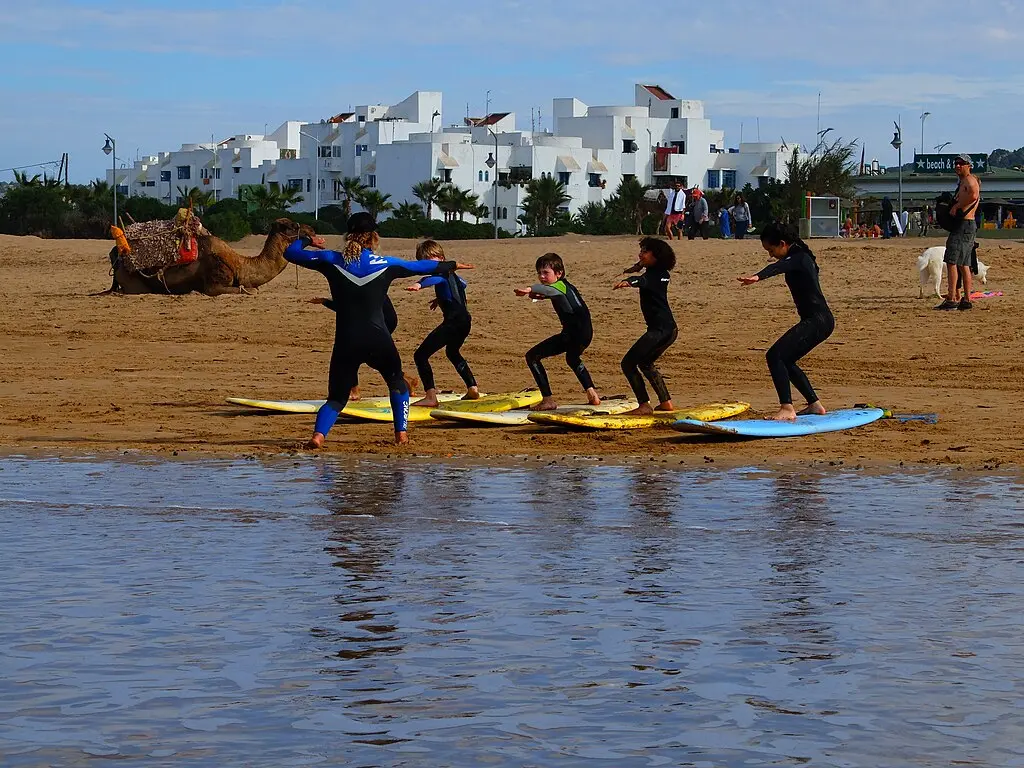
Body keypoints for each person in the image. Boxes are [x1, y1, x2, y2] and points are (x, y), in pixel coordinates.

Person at [285, 211, 471, 447]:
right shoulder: (386, 264)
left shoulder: (330, 259)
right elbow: (420, 266)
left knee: (336, 398)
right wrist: (452, 265)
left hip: (346, 341)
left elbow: (290, 253)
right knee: (397, 385)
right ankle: (401, 435)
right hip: (378, 339)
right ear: (373, 237)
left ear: (348, 236)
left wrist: (308, 241)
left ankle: (318, 437)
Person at [737, 222, 834, 421]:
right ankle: (814, 404)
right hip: (818, 320)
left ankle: (787, 408)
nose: (770, 254)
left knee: (775, 356)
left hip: (818, 321)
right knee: (785, 359)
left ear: (783, 243)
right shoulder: (800, 256)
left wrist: (758, 277)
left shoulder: (799, 258)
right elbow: (781, 264)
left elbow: (779, 266)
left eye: (771, 250)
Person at [514, 253, 600, 411]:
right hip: (585, 334)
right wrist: (541, 296)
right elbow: (557, 296)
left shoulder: (559, 286)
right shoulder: (567, 287)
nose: (541, 276)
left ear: (559, 273)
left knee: (532, 356)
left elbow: (546, 289)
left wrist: (529, 289)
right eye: (539, 273)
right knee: (572, 358)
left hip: (572, 335)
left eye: (546, 273)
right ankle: (592, 394)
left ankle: (548, 400)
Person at [404, 239, 480, 407]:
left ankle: (430, 396)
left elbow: (432, 280)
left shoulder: (440, 275)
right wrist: (441, 298)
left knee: (420, 356)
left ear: (440, 258)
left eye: (428, 260)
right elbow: (463, 285)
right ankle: (472, 387)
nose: (426, 265)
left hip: (453, 323)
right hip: (465, 321)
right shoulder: (453, 275)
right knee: (452, 352)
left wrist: (418, 284)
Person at [614, 237, 678, 415]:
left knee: (628, 364)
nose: (640, 254)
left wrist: (630, 281)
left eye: (645, 251)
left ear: (656, 256)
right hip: (670, 329)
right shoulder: (663, 273)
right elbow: (646, 272)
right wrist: (638, 265)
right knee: (646, 363)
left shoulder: (651, 276)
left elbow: (642, 281)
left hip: (658, 331)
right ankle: (666, 402)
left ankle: (644, 405)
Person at [935, 153, 981, 311]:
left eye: (961, 163)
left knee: (952, 260)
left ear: (969, 165)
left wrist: (957, 206)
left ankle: (952, 297)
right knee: (964, 263)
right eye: (956, 163)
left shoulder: (969, 180)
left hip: (964, 224)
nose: (957, 166)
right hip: (967, 225)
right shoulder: (962, 182)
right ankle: (966, 299)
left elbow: (974, 195)